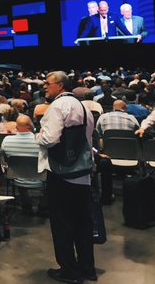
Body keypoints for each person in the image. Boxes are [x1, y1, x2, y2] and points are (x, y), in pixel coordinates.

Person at [37, 71, 96, 284]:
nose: (45, 87)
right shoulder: (85, 108)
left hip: (61, 174)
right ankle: (87, 268)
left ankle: (69, 271)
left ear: (60, 86)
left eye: (48, 83)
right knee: (83, 223)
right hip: (82, 173)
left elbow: (50, 138)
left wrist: (38, 136)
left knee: (62, 224)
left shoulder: (57, 107)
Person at [1, 114, 46, 215]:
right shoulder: (42, 141)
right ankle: (43, 206)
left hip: (16, 180)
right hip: (41, 180)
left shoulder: (6, 141)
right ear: (31, 126)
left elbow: (4, 161)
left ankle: (26, 205)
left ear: (16, 128)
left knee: (19, 170)